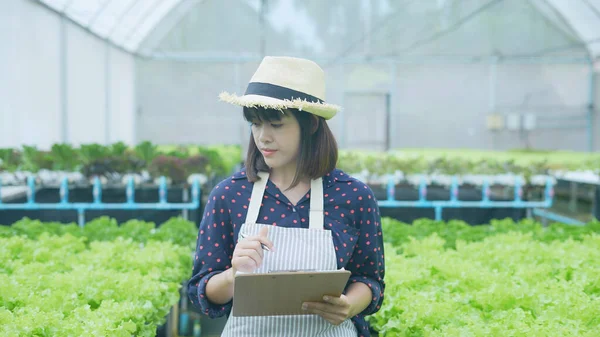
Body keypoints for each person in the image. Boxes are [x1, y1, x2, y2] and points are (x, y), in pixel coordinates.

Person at [187, 56, 385, 337]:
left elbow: (369, 279)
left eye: (276, 125)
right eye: (255, 124)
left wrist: (350, 305)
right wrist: (233, 274)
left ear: (311, 124)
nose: (263, 137)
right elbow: (200, 292)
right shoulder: (231, 194)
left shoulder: (353, 196)